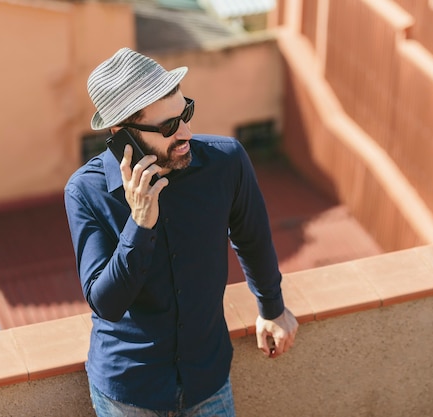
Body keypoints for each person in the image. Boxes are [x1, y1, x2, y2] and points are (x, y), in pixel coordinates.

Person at [64, 47, 298, 417]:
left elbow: (252, 237)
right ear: (122, 133)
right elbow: (105, 303)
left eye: (185, 112)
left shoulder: (226, 162)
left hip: (208, 381)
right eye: (169, 126)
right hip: (128, 392)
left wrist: (272, 307)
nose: (186, 132)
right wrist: (139, 224)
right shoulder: (86, 192)